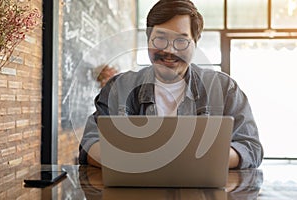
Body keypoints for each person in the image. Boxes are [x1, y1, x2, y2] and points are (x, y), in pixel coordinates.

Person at [79, 0, 263, 169]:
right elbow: (89, 145)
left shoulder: (224, 88)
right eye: (160, 38)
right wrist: (137, 162)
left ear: (195, 44)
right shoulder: (119, 87)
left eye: (181, 41)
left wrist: (194, 160)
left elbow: (251, 148)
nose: (169, 50)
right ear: (148, 40)